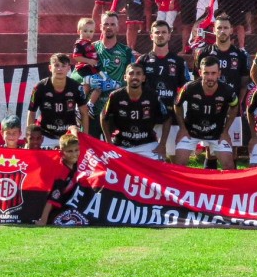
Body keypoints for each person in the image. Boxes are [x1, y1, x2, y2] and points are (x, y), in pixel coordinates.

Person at [194, 14, 250, 163]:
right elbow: (197, 81)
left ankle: (234, 183)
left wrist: (239, 102)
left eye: (226, 28)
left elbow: (244, 83)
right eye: (219, 28)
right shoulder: (204, 53)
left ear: (231, 30)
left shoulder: (240, 55)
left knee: (233, 149)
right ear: (214, 30)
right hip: (210, 108)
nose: (222, 31)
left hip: (232, 108)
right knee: (211, 151)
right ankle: (208, 183)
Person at [173, 56, 239, 170]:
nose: (210, 77)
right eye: (206, 73)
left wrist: (225, 131)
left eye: (213, 73)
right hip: (191, 132)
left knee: (229, 166)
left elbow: (235, 106)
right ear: (200, 73)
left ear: (219, 73)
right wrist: (182, 128)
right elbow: (177, 105)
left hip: (217, 133)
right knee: (178, 165)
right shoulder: (189, 88)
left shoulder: (227, 90)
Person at [136, 20, 190, 158]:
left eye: (164, 32)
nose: (160, 35)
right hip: (148, 117)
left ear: (169, 36)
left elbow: (186, 89)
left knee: (172, 158)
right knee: (148, 159)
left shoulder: (178, 62)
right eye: (157, 32)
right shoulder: (142, 61)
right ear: (151, 36)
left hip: (171, 118)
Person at [101, 63, 168, 160]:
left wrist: (162, 145)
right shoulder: (115, 96)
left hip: (147, 143)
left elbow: (168, 118)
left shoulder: (153, 96)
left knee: (160, 165)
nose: (134, 77)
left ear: (143, 78)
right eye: (131, 73)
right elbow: (103, 117)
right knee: (108, 165)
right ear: (125, 77)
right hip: (121, 143)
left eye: (138, 74)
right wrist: (108, 142)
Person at [27, 54, 89, 149]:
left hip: (69, 136)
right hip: (45, 136)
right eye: (56, 65)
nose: (60, 69)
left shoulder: (77, 87)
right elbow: (31, 112)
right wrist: (29, 137)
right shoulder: (40, 87)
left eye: (63, 66)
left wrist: (85, 138)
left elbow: (84, 113)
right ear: (50, 68)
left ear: (68, 68)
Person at [34, 133, 80, 226]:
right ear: (62, 152)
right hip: (58, 206)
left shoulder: (78, 163)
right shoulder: (61, 172)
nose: (74, 154)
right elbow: (52, 199)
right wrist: (43, 220)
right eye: (70, 151)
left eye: (76, 150)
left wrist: (72, 129)